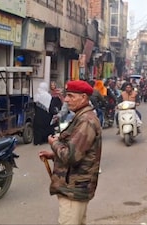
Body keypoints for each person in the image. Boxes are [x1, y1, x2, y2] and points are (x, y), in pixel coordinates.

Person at [38, 80, 102, 225]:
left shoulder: (86, 121)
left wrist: (54, 143)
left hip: (75, 188)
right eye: (67, 96)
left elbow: (71, 156)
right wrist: (54, 156)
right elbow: (79, 150)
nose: (66, 99)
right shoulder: (80, 117)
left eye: (71, 96)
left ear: (84, 98)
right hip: (73, 186)